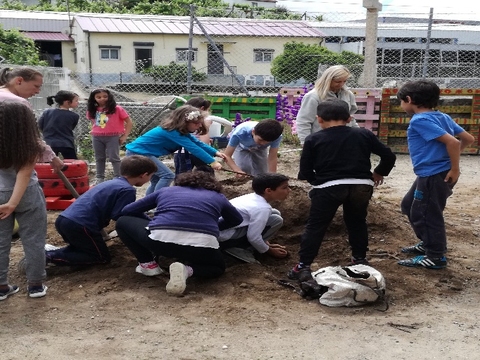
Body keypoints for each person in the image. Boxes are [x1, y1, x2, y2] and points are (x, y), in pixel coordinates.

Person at [288, 99, 396, 281]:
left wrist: (318, 182)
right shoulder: (363, 134)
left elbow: (305, 172)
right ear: (348, 118)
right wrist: (378, 173)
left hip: (328, 187)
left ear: (319, 119)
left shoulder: (313, 139)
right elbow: (389, 155)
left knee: (316, 226)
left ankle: (303, 266)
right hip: (361, 185)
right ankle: (359, 259)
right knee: (357, 222)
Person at [115, 169, 243, 296]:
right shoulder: (218, 197)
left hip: (159, 241)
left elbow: (128, 210)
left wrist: (152, 222)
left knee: (122, 221)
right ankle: (187, 270)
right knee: (217, 268)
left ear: (181, 182)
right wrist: (213, 227)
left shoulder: (166, 191)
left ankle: (148, 265)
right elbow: (237, 219)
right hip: (202, 247)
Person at [396, 80, 475, 269]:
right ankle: (427, 242)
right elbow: (468, 139)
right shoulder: (441, 116)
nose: (401, 105)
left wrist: (454, 168)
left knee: (427, 214)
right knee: (409, 205)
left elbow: (454, 143)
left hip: (434, 175)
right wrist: (450, 162)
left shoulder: (420, 120)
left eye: (401, 101)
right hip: (431, 174)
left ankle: (435, 256)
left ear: (409, 99)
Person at [43, 155, 156, 267]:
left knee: (82, 247)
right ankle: (47, 257)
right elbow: (121, 214)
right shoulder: (127, 190)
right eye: (151, 176)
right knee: (100, 257)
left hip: (65, 220)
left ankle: (53, 253)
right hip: (82, 226)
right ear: (144, 175)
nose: (149, 179)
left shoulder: (112, 183)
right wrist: (148, 221)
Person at [0, 101, 48, 299]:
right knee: (34, 239)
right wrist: (13, 203)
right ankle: (36, 285)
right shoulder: (30, 145)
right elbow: (24, 175)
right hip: (27, 194)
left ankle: (1, 287)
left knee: (1, 242)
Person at [125, 104, 229, 195]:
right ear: (184, 122)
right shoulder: (172, 132)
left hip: (142, 153)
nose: (199, 126)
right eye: (196, 123)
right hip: (140, 153)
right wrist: (212, 162)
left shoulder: (181, 132)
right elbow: (193, 148)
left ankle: (148, 204)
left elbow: (197, 143)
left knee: (157, 179)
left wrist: (215, 152)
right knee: (167, 175)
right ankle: (156, 202)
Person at [0, 66, 64, 173]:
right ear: (19, 80)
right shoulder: (18, 102)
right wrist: (52, 156)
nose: (38, 91)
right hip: (12, 162)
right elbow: (30, 135)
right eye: (36, 86)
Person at [218, 173, 291, 262]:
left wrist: (265, 243)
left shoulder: (253, 197)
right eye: (284, 187)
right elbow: (253, 237)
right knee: (276, 220)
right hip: (223, 238)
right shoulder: (262, 208)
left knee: (275, 213)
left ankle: (258, 244)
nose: (289, 190)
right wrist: (269, 250)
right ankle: (240, 248)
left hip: (220, 231)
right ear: (268, 191)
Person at [296, 65, 359, 145]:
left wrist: (359, 134)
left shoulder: (348, 94)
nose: (341, 84)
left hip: (345, 140)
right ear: (328, 80)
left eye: (344, 81)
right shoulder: (313, 96)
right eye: (338, 81)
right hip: (321, 142)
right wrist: (306, 143)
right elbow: (304, 121)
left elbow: (350, 117)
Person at [86, 88, 133, 183]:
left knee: (114, 157)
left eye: (105, 96)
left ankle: (119, 177)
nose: (102, 99)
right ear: (94, 98)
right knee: (99, 157)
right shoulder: (93, 110)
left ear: (109, 97)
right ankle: (99, 178)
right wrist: (94, 129)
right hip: (97, 137)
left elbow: (129, 122)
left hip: (113, 136)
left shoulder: (117, 109)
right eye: (98, 97)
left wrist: (124, 136)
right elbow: (93, 121)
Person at [174, 97, 214, 174]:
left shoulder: (180, 119)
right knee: (206, 177)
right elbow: (203, 136)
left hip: (180, 152)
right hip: (199, 152)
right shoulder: (204, 119)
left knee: (181, 177)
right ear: (202, 108)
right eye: (208, 109)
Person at [38, 90, 80, 159]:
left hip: (49, 143)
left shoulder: (47, 112)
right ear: (67, 102)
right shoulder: (74, 116)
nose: (77, 103)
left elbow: (40, 125)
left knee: (49, 163)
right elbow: (71, 127)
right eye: (76, 101)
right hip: (67, 143)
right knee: (72, 162)